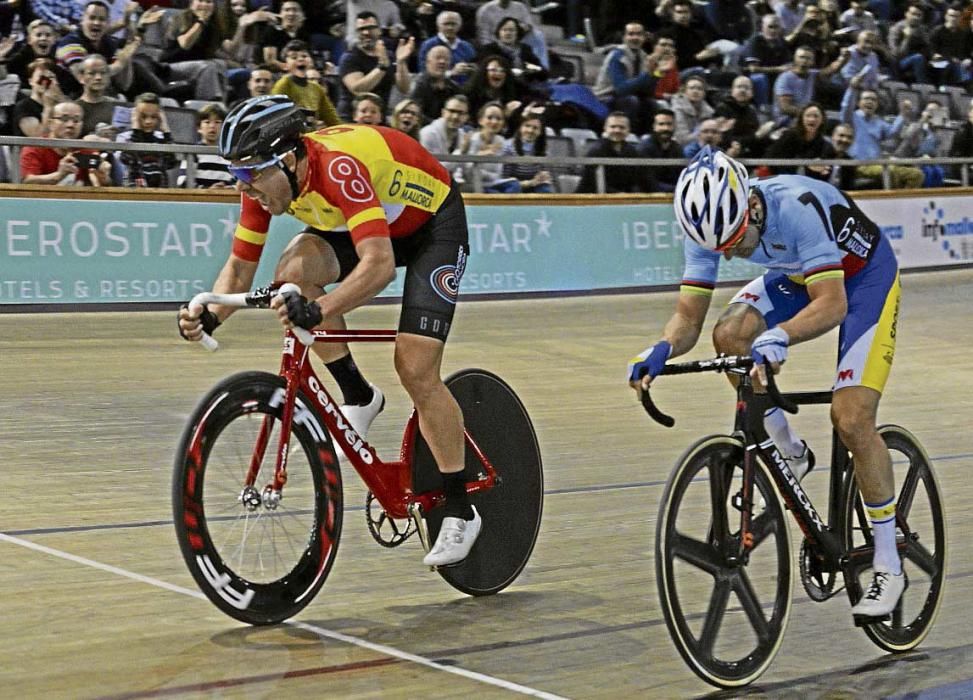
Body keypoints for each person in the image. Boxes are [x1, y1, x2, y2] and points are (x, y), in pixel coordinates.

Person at [177, 95, 482, 567]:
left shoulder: (338, 169)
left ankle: (461, 506)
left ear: (290, 159)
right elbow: (240, 266)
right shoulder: (261, 184)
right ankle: (358, 394)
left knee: (416, 368)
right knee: (292, 273)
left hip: (431, 228)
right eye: (237, 174)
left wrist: (319, 312)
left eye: (252, 173)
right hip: (373, 220)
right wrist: (211, 313)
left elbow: (378, 266)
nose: (246, 186)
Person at [627, 146, 906, 621]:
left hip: (863, 283)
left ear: (751, 206)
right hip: (796, 276)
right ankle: (790, 451)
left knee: (852, 418)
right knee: (729, 335)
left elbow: (832, 304)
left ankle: (888, 562)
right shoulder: (709, 230)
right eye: (721, 248)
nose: (731, 252)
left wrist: (780, 335)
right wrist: (660, 348)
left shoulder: (796, 208)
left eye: (736, 239)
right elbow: (688, 318)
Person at [20, 100, 114, 186]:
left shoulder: (86, 150)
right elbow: (27, 182)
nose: (70, 125)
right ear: (50, 123)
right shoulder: (35, 147)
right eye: (64, 119)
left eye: (76, 120)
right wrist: (59, 175)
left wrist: (103, 178)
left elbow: (106, 187)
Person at [271, 39, 340, 128]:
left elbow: (331, 117)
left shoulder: (317, 88)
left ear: (310, 62)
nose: (300, 59)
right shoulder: (283, 85)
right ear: (285, 66)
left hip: (311, 137)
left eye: (304, 56)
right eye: (294, 57)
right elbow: (275, 117)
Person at [115, 91, 177, 187]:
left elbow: (171, 162)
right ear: (135, 115)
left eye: (153, 117)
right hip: (134, 192)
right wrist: (135, 129)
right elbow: (127, 159)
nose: (148, 121)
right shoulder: (125, 137)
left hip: (160, 192)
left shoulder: (162, 139)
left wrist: (166, 130)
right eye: (143, 116)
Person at [177, 102, 233, 188]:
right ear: (199, 128)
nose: (212, 126)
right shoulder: (193, 153)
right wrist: (208, 190)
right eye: (207, 122)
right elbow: (183, 182)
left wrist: (230, 188)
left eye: (217, 122)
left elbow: (239, 182)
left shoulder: (230, 154)